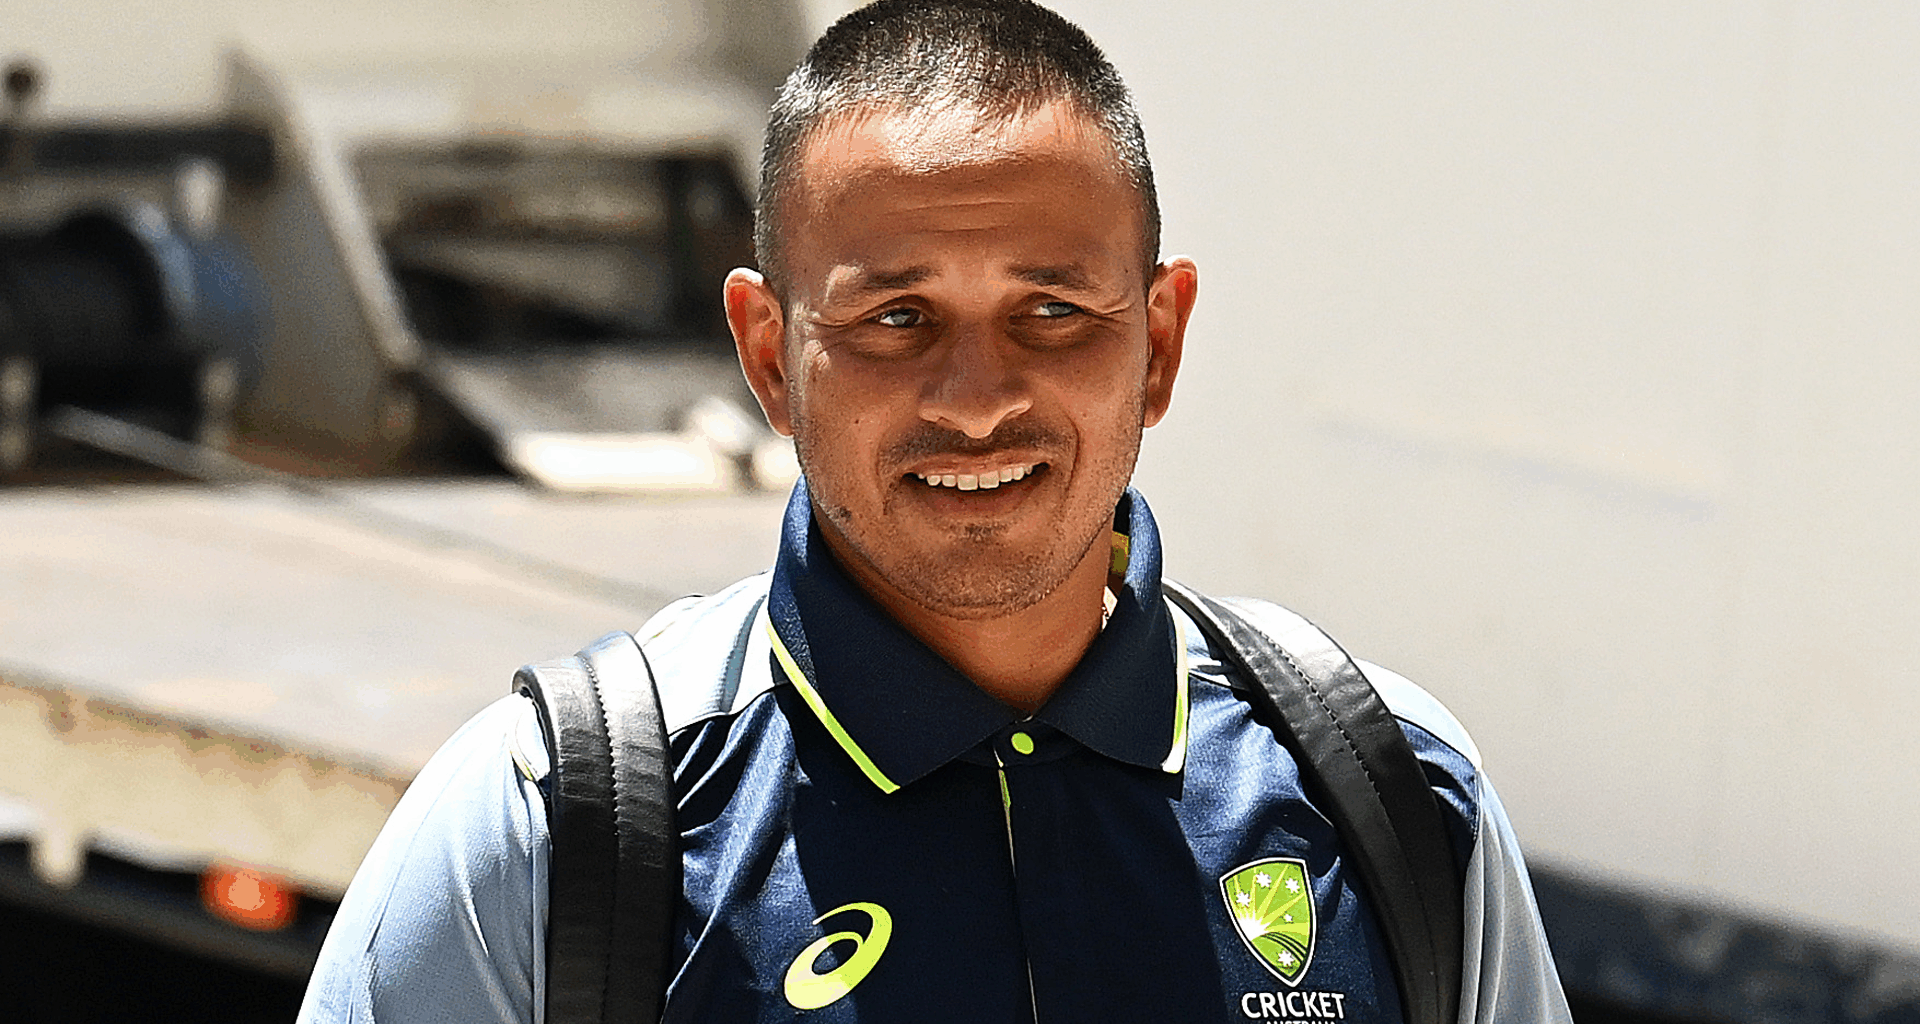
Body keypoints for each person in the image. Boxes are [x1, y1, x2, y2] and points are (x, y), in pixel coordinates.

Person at [298, 1, 1573, 1021]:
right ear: (768, 356)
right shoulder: (551, 829)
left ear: (1160, 341)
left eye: (1052, 311)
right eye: (896, 317)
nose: (977, 400)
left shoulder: (1394, 798)